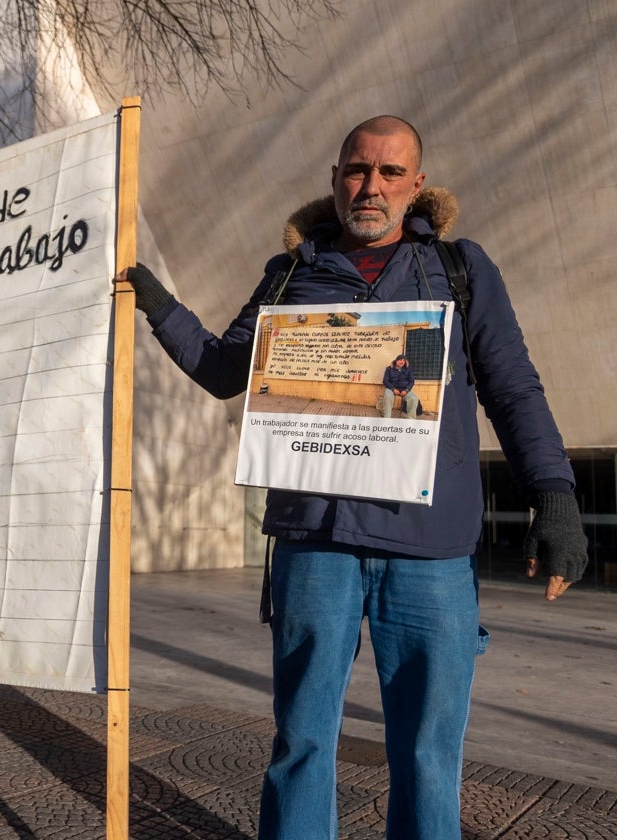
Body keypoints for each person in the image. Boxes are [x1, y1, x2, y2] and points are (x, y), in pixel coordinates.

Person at [118, 115, 588, 840]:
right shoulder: (290, 274)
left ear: (417, 185)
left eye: (389, 172)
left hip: (429, 551)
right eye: (355, 171)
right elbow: (222, 371)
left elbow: (513, 389)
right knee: (301, 742)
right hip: (316, 543)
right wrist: (161, 308)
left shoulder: (460, 269)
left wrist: (554, 499)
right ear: (336, 179)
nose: (370, 186)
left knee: (429, 753)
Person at [381, 354, 418, 418]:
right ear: (396, 361)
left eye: (404, 360)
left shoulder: (408, 369)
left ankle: (411, 420)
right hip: (391, 388)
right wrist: (393, 389)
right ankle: (386, 417)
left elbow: (411, 381)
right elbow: (385, 381)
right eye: (400, 360)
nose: (402, 362)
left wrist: (407, 390)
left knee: (413, 399)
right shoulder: (389, 369)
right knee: (387, 396)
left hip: (404, 389)